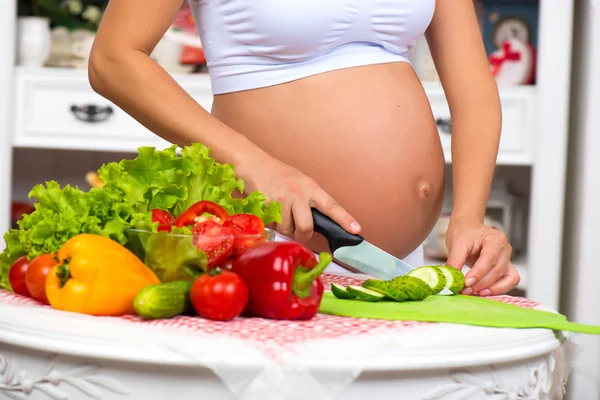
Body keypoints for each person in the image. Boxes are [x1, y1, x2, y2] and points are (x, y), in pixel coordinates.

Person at [89, 0, 520, 296]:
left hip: (399, 264)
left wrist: (468, 218)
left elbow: (475, 96)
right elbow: (113, 60)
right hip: (272, 251)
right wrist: (253, 164)